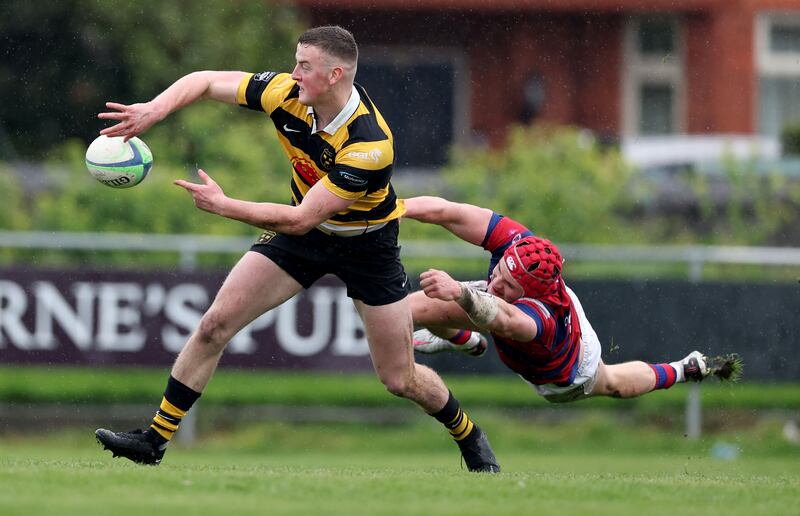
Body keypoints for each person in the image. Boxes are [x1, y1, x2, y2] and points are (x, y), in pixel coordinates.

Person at [93, 26, 499, 473]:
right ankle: (154, 439)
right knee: (215, 324)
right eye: (296, 62)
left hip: (367, 247)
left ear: (335, 74)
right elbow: (206, 80)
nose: (294, 72)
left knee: (399, 379)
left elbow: (302, 217)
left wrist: (225, 206)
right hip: (305, 238)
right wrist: (155, 109)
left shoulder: (369, 144)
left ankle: (468, 434)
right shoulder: (285, 93)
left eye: (304, 66)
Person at [403, 196, 741, 402]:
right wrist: (394, 207)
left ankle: (684, 369)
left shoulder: (539, 317)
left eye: (508, 285)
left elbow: (503, 320)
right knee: (403, 310)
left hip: (566, 373)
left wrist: (460, 292)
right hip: (505, 311)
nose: (496, 283)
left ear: (529, 294)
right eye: (499, 273)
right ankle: (466, 341)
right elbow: (450, 212)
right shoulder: (518, 245)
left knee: (612, 383)